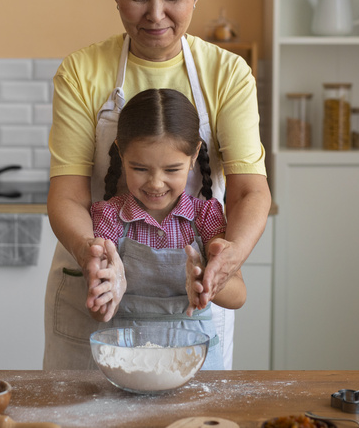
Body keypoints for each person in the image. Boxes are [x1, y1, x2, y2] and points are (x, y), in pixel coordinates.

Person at [44, 0, 270, 370]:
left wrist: (226, 260)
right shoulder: (82, 72)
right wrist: (92, 253)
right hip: (96, 300)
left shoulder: (227, 74)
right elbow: (66, 195)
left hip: (193, 313)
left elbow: (250, 191)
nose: (155, 13)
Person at [88, 89, 246, 370]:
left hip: (196, 366)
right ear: (121, 153)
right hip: (127, 363)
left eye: (172, 170)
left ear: (194, 156)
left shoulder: (205, 216)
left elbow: (238, 295)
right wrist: (106, 293)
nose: (156, 183)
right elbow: (100, 313)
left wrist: (207, 283)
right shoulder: (109, 216)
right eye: (140, 168)